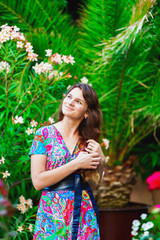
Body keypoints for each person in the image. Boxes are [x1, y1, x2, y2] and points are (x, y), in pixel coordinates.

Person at [30, 83, 105, 240]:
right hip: (52, 214)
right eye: (69, 97)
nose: (70, 102)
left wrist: (101, 159)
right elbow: (38, 181)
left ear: (87, 113)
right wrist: (76, 164)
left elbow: (95, 183)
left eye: (78, 101)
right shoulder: (44, 134)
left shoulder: (88, 141)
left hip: (84, 213)